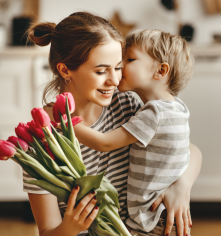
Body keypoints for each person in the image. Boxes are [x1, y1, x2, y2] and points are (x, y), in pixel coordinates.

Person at [25, 12, 201, 236]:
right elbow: (48, 232)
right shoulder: (43, 142)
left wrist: (181, 186)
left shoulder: (126, 106)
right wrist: (70, 227)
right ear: (65, 70)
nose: (115, 80)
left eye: (118, 67)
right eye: (101, 71)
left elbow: (186, 149)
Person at [73, 29, 195, 236]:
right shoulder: (177, 107)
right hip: (163, 214)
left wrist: (63, 123)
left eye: (129, 59)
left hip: (152, 217)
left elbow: (104, 143)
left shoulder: (154, 113)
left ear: (160, 71)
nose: (120, 68)